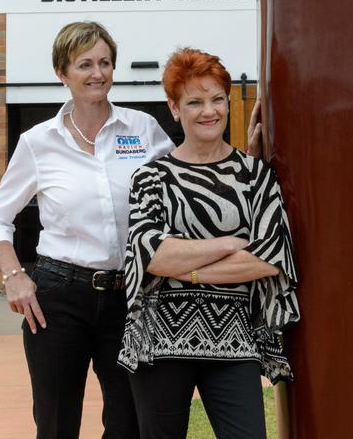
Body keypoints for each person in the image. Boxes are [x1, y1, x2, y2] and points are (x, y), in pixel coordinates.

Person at [0, 20, 261, 439]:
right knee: (56, 422)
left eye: (105, 62)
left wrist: (246, 160)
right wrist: (14, 276)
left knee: (128, 421)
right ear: (63, 73)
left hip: (129, 298)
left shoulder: (141, 129)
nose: (97, 73)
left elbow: (191, 171)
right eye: (85, 64)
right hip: (59, 297)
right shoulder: (39, 142)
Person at [118, 47, 299, 439]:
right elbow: (152, 254)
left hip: (234, 342)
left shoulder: (255, 176)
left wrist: (191, 269)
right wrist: (230, 243)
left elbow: (270, 257)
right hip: (160, 342)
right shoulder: (151, 178)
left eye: (217, 99)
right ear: (174, 107)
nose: (209, 111)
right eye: (195, 101)